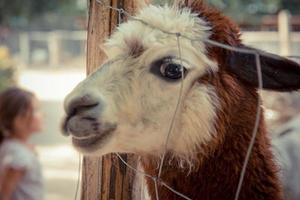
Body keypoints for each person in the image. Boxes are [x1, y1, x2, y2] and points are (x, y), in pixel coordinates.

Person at [0, 87, 44, 200]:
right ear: (18, 120)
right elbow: (4, 195)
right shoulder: (19, 155)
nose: (42, 114)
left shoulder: (13, 147)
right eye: (36, 110)